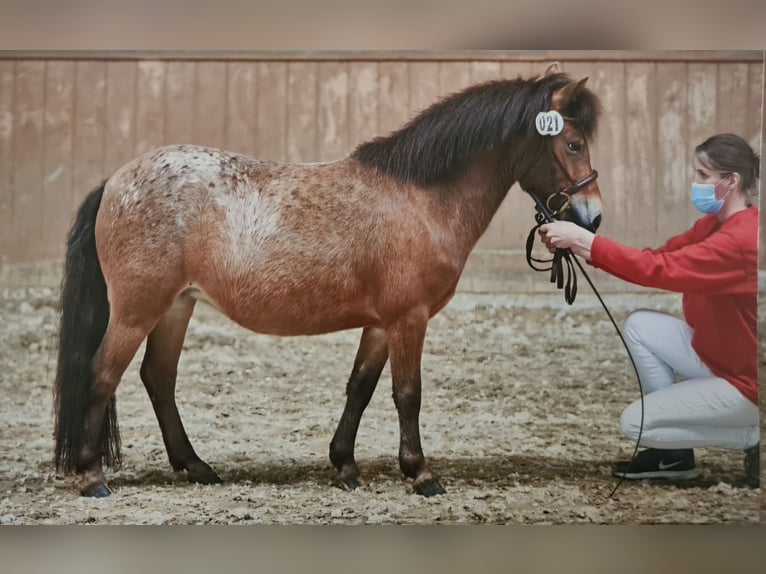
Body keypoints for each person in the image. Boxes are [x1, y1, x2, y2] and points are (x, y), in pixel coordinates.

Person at [538, 133, 760, 488]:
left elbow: (658, 271)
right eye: (696, 174)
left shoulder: (741, 239)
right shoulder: (714, 224)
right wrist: (581, 244)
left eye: (703, 176)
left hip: (745, 385)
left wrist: (584, 242)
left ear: (731, 181)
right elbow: (657, 257)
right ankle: (674, 458)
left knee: (636, 424)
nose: (696, 183)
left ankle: (752, 437)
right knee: (640, 325)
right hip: (718, 358)